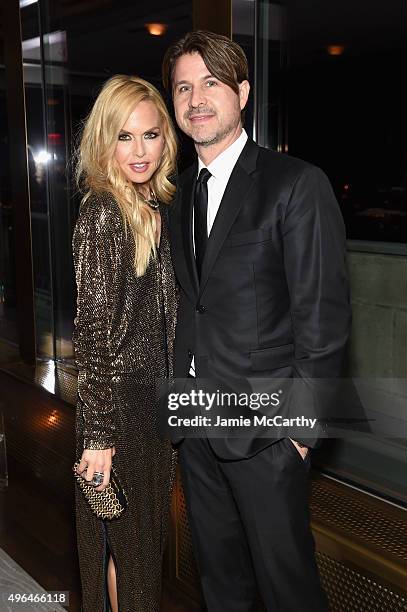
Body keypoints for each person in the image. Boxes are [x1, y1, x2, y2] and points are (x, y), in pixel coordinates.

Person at [162, 31, 351, 611]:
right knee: (221, 585)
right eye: (184, 87)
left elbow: (324, 320)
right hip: (195, 424)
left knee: (288, 589)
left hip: (268, 434)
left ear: (242, 93)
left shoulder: (295, 184)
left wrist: (298, 433)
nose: (197, 99)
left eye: (211, 83)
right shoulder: (175, 193)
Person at [72, 74, 178, 612]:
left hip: (150, 413)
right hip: (117, 423)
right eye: (124, 136)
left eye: (150, 135)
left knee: (135, 555)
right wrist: (99, 436)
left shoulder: (152, 212)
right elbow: (93, 337)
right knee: (129, 561)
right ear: (103, 140)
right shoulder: (104, 216)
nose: (139, 151)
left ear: (166, 139)